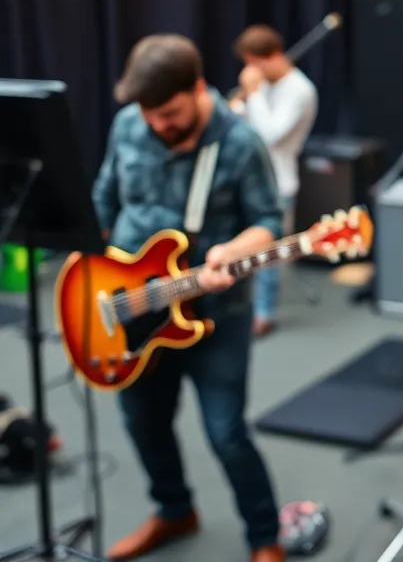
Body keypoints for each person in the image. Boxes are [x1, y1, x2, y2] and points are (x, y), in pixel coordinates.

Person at [92, 35, 284, 562]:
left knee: (226, 434)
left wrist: (234, 249)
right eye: (149, 114)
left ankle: (265, 539)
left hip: (215, 313)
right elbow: (104, 197)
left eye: (170, 113)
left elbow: (269, 221)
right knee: (143, 422)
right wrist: (94, 276)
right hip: (129, 309)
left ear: (198, 88)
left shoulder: (241, 143)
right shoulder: (129, 125)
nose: (158, 125)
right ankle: (174, 510)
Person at [229, 25, 318, 336]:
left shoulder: (300, 90)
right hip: (246, 180)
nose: (248, 71)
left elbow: (270, 135)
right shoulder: (265, 84)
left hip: (278, 183)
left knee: (267, 256)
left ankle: (264, 314)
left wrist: (252, 94)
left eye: (252, 62)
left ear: (273, 57)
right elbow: (245, 126)